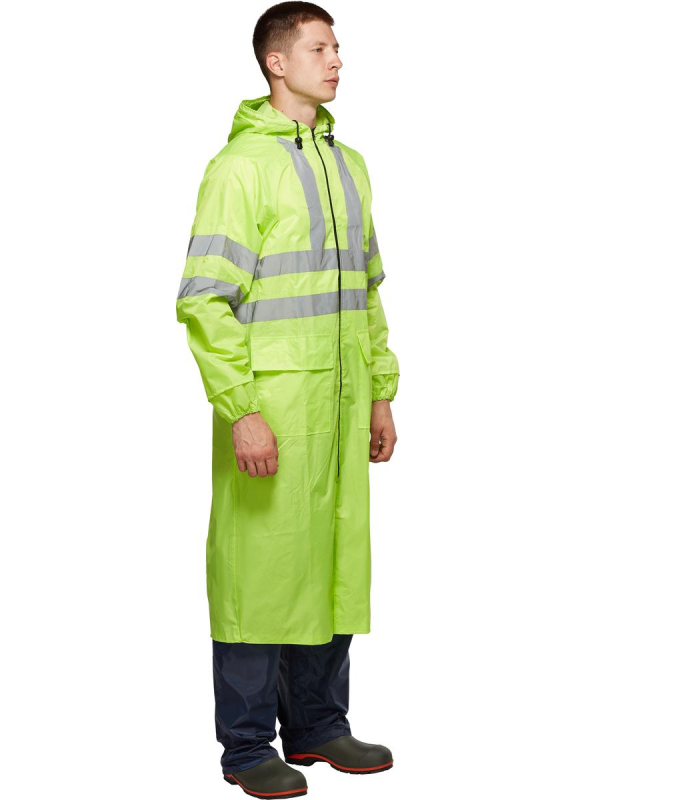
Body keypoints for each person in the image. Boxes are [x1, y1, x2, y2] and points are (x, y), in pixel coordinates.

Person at [176, 3, 400, 796]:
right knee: (261, 571)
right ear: (277, 62)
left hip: (339, 408)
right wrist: (242, 409)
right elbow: (205, 299)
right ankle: (245, 747)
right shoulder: (239, 168)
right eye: (319, 47)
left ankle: (318, 725)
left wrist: (379, 393)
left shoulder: (350, 166)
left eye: (337, 47)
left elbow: (365, 294)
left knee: (330, 563)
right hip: (272, 410)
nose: (336, 60)